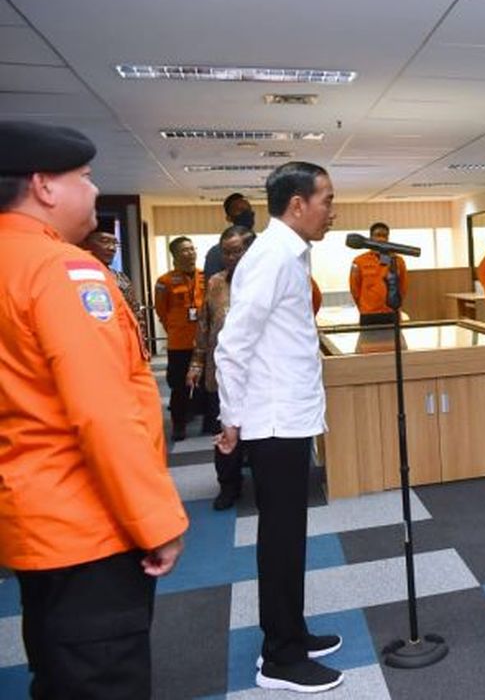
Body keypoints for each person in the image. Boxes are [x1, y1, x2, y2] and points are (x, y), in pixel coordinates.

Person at [0, 120, 187, 699]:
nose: (94, 189)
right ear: (44, 186)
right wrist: (155, 521)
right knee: (100, 679)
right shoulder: (61, 270)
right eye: (83, 177)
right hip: (88, 526)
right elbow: (102, 413)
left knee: (58, 671)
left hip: (32, 517)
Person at [214, 162, 343, 693]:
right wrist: (230, 421)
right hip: (271, 422)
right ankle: (280, 658)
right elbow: (233, 343)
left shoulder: (289, 253)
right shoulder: (270, 258)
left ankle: (292, 630)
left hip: (288, 416)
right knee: (281, 539)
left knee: (290, 536)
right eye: (326, 200)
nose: (332, 212)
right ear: (297, 205)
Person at [187, 225, 254, 511]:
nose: (230, 258)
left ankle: (262, 484)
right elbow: (204, 325)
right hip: (221, 375)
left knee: (259, 434)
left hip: (257, 375)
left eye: (236, 251)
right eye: (226, 252)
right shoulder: (215, 283)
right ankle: (228, 485)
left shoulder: (263, 282)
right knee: (223, 434)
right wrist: (197, 363)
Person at [155, 235, 205, 440]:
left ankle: (208, 420)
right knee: (179, 386)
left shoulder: (206, 276)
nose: (190, 253)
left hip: (203, 342)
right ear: (174, 255)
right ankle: (179, 424)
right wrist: (176, 329)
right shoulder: (164, 281)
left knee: (206, 384)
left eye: (192, 249)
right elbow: (161, 312)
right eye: (185, 250)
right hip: (179, 343)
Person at [83, 218, 146, 341]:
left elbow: (136, 314)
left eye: (115, 243)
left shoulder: (121, 278)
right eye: (104, 241)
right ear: (86, 243)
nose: (112, 248)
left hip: (123, 340)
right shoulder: (78, 276)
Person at [349, 221, 408, 326]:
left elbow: (403, 286)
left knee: (394, 342)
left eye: (385, 236)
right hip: (368, 313)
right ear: (371, 238)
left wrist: (395, 305)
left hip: (391, 313)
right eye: (378, 235)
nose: (382, 239)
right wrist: (363, 307)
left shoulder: (398, 260)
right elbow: (354, 289)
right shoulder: (358, 261)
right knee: (367, 342)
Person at [204, 192, 257, 281]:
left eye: (248, 209)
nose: (246, 213)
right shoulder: (217, 252)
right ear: (229, 218)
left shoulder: (264, 245)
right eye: (240, 210)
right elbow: (211, 289)